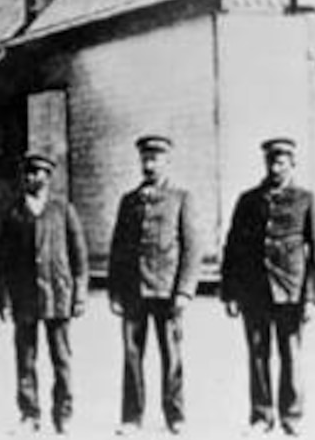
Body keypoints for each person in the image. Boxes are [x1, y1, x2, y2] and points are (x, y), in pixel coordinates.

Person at [221, 137, 315, 437]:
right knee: (257, 353)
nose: (276, 167)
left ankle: (292, 417)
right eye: (271, 161)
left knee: (291, 354)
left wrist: (313, 296)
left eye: (282, 162)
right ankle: (261, 417)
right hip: (254, 291)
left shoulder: (305, 199)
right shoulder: (248, 200)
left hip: (290, 291)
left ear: (292, 164)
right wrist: (230, 292)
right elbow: (233, 247)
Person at [108, 135, 202, 435]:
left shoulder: (181, 198)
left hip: (167, 290)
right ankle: (132, 417)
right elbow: (118, 249)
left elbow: (192, 248)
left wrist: (185, 290)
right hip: (134, 290)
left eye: (156, 159)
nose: (149, 165)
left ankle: (175, 416)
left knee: (172, 356)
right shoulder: (129, 201)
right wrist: (115, 291)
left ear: (167, 162)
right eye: (145, 159)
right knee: (132, 356)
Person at [0, 152, 89, 434]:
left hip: (57, 296)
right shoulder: (13, 213)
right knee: (25, 358)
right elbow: (2, 262)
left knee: (61, 358)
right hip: (24, 297)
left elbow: (79, 256)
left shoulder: (63, 210)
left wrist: (80, 294)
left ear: (49, 177)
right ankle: (29, 414)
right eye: (28, 173)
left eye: (39, 173)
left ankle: (64, 415)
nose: (32, 178)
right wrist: (3, 299)